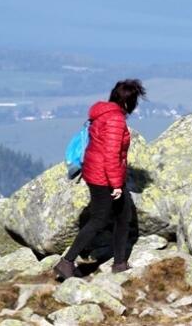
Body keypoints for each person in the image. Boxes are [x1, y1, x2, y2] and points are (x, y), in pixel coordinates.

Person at [54, 79, 146, 280]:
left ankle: (119, 263)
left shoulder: (102, 114)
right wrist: (116, 185)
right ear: (127, 102)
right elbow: (112, 155)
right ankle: (67, 262)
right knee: (99, 220)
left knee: (123, 215)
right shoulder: (115, 120)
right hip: (104, 178)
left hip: (94, 172)